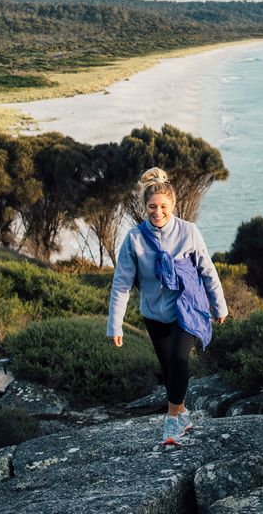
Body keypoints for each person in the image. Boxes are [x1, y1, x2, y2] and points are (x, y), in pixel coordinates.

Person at [107, 167, 228, 446]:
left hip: (186, 309)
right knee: (168, 368)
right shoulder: (134, 239)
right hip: (153, 313)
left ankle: (171, 421)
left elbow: (207, 270)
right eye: (152, 206)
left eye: (163, 206)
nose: (158, 212)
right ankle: (183, 413)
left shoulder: (188, 231)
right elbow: (122, 283)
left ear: (172, 205)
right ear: (144, 207)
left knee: (178, 359)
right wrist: (115, 324)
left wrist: (219, 306)